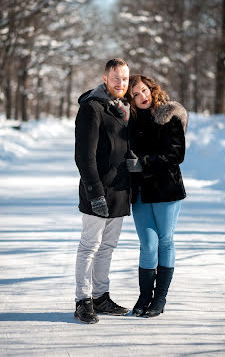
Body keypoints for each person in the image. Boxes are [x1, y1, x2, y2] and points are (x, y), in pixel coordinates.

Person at [126, 74, 188, 318]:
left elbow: (176, 154)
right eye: (135, 94)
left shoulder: (169, 115)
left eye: (144, 90)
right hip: (140, 191)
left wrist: (143, 163)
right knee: (148, 244)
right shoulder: (128, 121)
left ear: (152, 88)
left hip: (166, 189)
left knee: (165, 241)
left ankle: (159, 298)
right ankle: (144, 296)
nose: (142, 96)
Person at [74, 58, 131, 324]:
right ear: (105, 79)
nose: (122, 83)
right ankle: (83, 301)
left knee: (107, 247)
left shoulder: (123, 110)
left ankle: (100, 297)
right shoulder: (92, 108)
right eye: (116, 78)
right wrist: (95, 193)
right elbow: (84, 157)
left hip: (119, 190)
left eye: (126, 79)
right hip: (97, 189)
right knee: (90, 246)